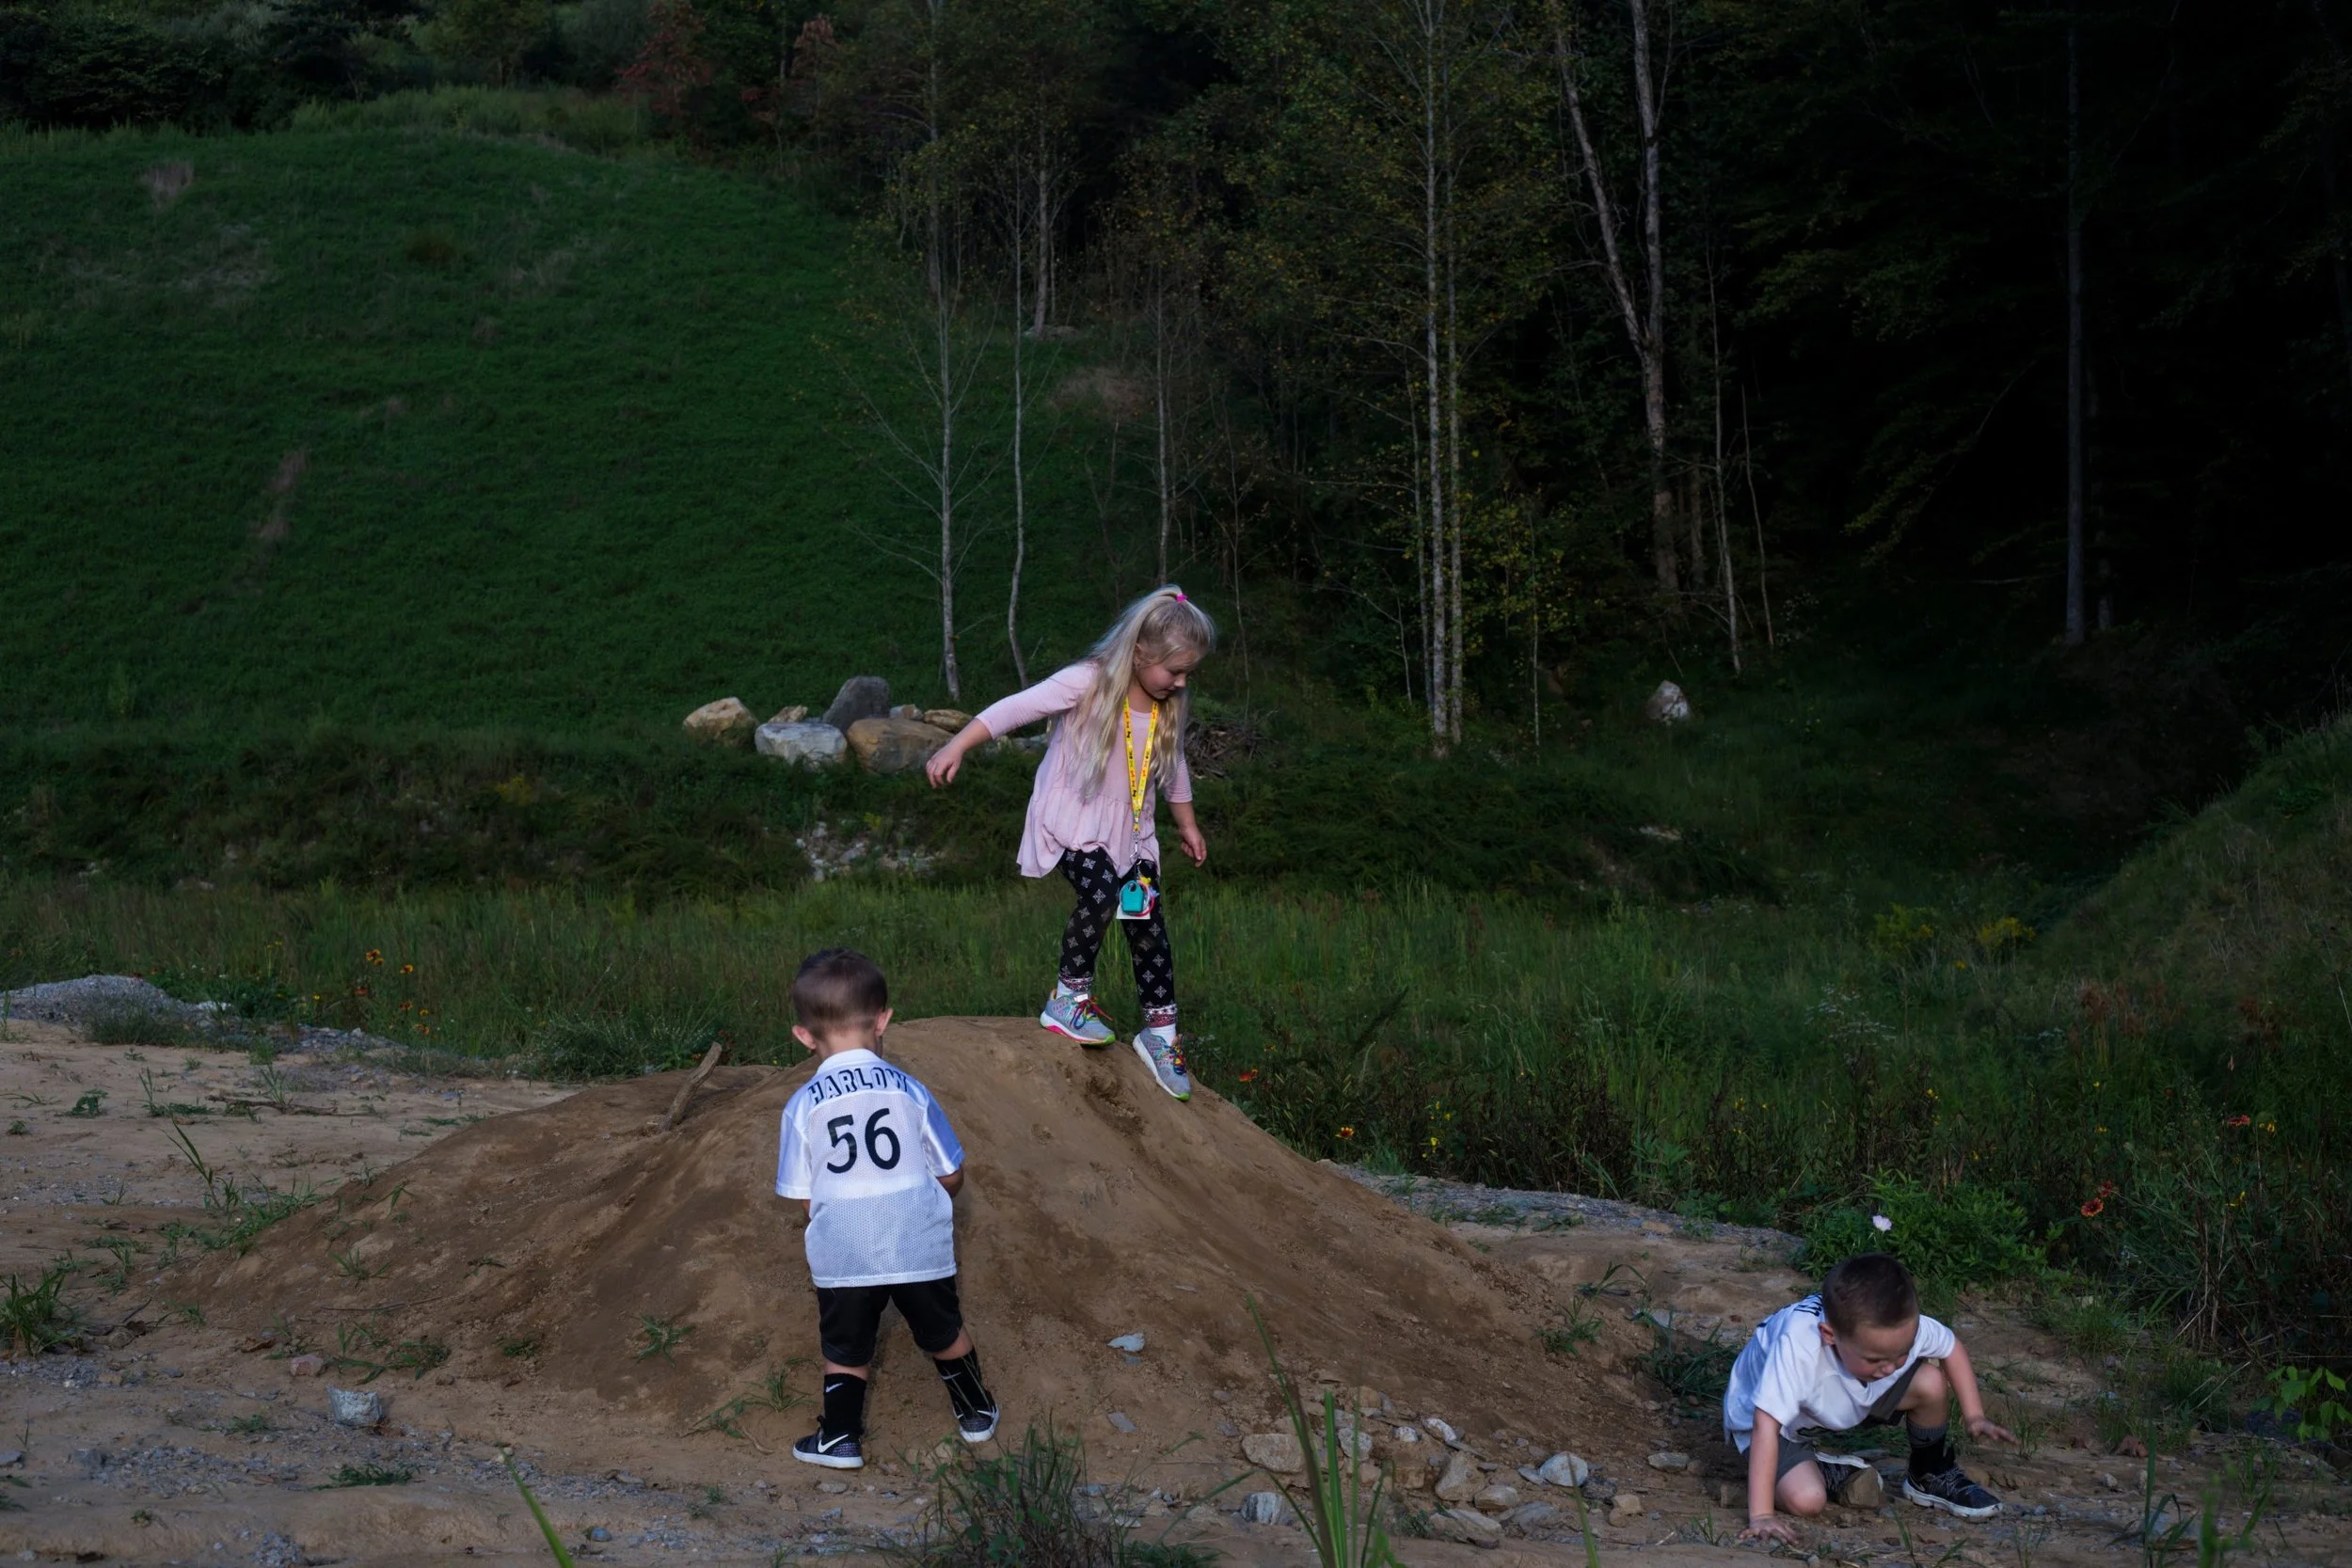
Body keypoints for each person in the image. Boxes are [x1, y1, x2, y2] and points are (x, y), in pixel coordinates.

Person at [925, 585, 1215, 1102]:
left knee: (1147, 927)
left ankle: (1160, 1036)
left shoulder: (1167, 706)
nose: (1182, 680)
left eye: (1189, 671)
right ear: (1141, 653)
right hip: (1075, 824)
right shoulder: (1088, 683)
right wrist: (957, 743)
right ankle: (1068, 997)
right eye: (1175, 670)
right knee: (1100, 897)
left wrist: (1187, 825)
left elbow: (1173, 769)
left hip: (1134, 837)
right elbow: (1017, 709)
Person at [775, 948, 998, 1469]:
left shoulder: (802, 1103)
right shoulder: (910, 1090)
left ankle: (840, 1439)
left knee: (846, 1348)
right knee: (943, 1331)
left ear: (804, 1036)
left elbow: (807, 1198)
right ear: (882, 1020)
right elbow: (950, 1171)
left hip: (844, 1249)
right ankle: (975, 1414)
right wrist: (928, 1204)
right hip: (917, 1239)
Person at [1727, 1252, 2015, 1540]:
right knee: (1807, 1499)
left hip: (1835, 1398)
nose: (1889, 1368)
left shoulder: (1891, 1329)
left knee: (1930, 1382)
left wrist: (1974, 1414)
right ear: (1830, 1335)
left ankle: (1929, 1473)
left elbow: (1950, 1347)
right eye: (1876, 1359)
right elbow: (1764, 1424)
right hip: (1774, 1425)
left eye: (1902, 1354)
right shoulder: (1797, 1348)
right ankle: (1823, 1469)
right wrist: (1761, 1515)